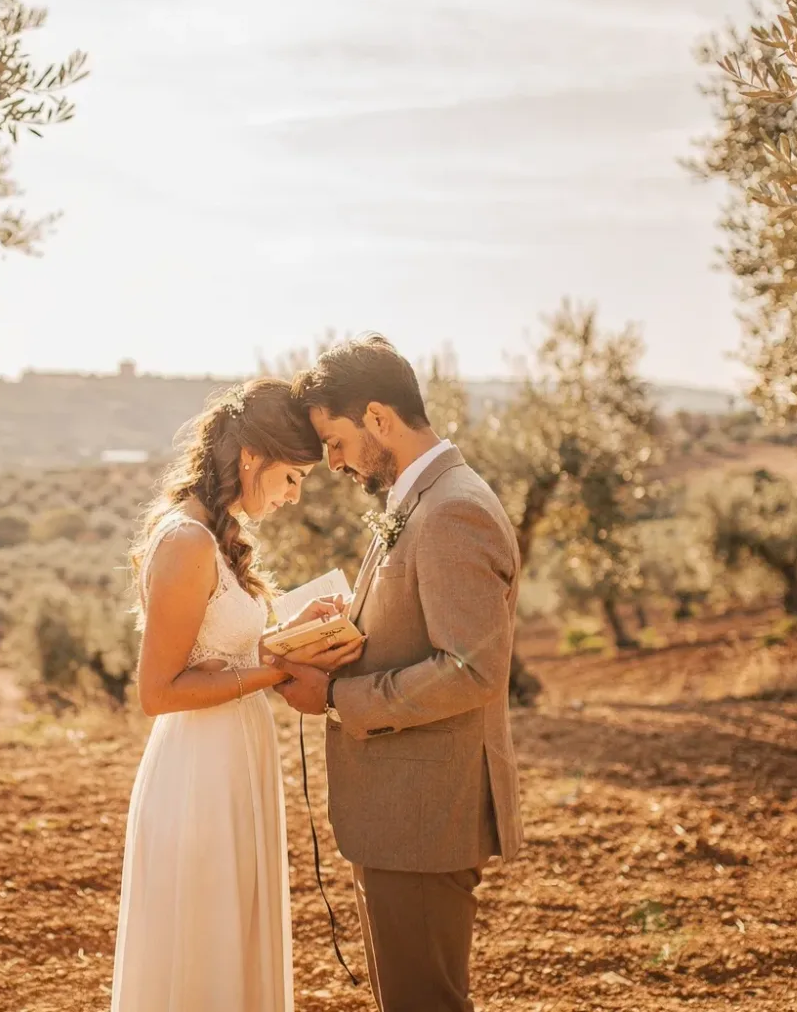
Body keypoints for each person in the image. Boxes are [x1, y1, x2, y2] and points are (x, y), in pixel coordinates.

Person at [269, 335, 524, 1012]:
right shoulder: (420, 501)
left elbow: (470, 670)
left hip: (423, 815)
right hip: (401, 813)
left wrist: (334, 694)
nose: (333, 462)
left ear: (378, 418)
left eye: (335, 441)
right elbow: (418, 631)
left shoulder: (452, 510)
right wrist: (347, 626)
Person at [110, 378, 364, 1012]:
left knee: (233, 936)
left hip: (235, 759)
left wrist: (295, 638)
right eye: (291, 478)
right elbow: (159, 691)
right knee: (204, 946)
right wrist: (278, 663)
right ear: (251, 457)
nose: (291, 497)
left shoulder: (214, 537)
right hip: (198, 774)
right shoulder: (187, 540)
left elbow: (224, 654)